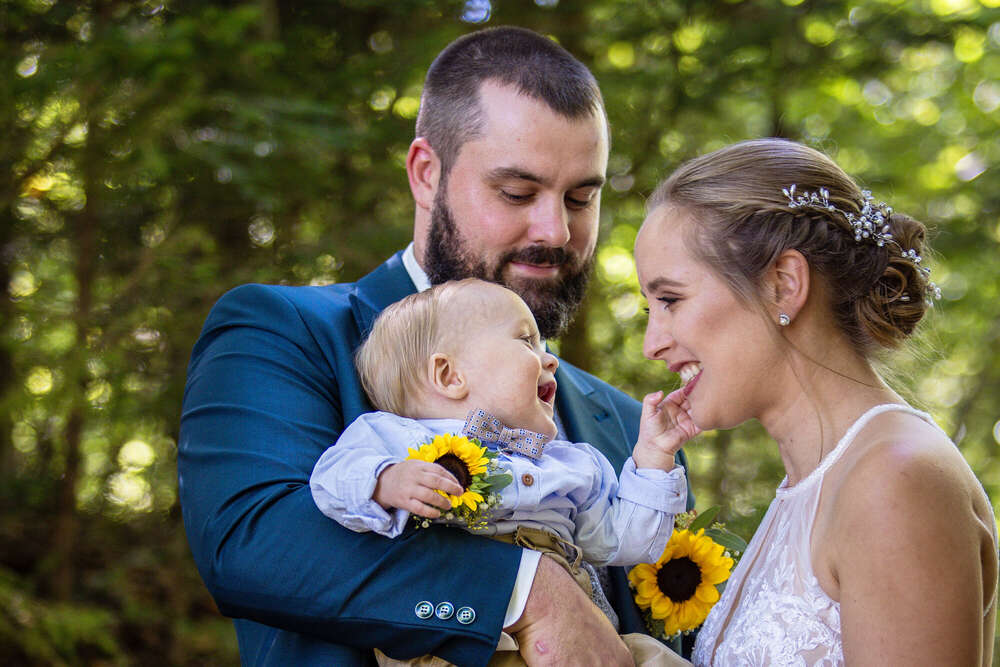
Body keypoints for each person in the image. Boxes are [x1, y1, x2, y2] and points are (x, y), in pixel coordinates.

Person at [178, 26, 693, 667]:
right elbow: (251, 540)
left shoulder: (628, 428)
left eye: (581, 197)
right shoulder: (284, 330)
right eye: (517, 192)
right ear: (426, 174)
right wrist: (526, 593)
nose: (556, 230)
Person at [633, 137, 998, 665]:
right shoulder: (807, 489)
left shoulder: (896, 480)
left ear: (783, 284)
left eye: (670, 300)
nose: (653, 343)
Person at [310, 278, 696, 665]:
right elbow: (329, 481)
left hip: (579, 637)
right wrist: (384, 480)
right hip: (460, 643)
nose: (551, 359)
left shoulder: (570, 463)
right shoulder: (397, 438)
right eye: (527, 341)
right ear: (450, 376)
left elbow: (623, 543)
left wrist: (653, 459)